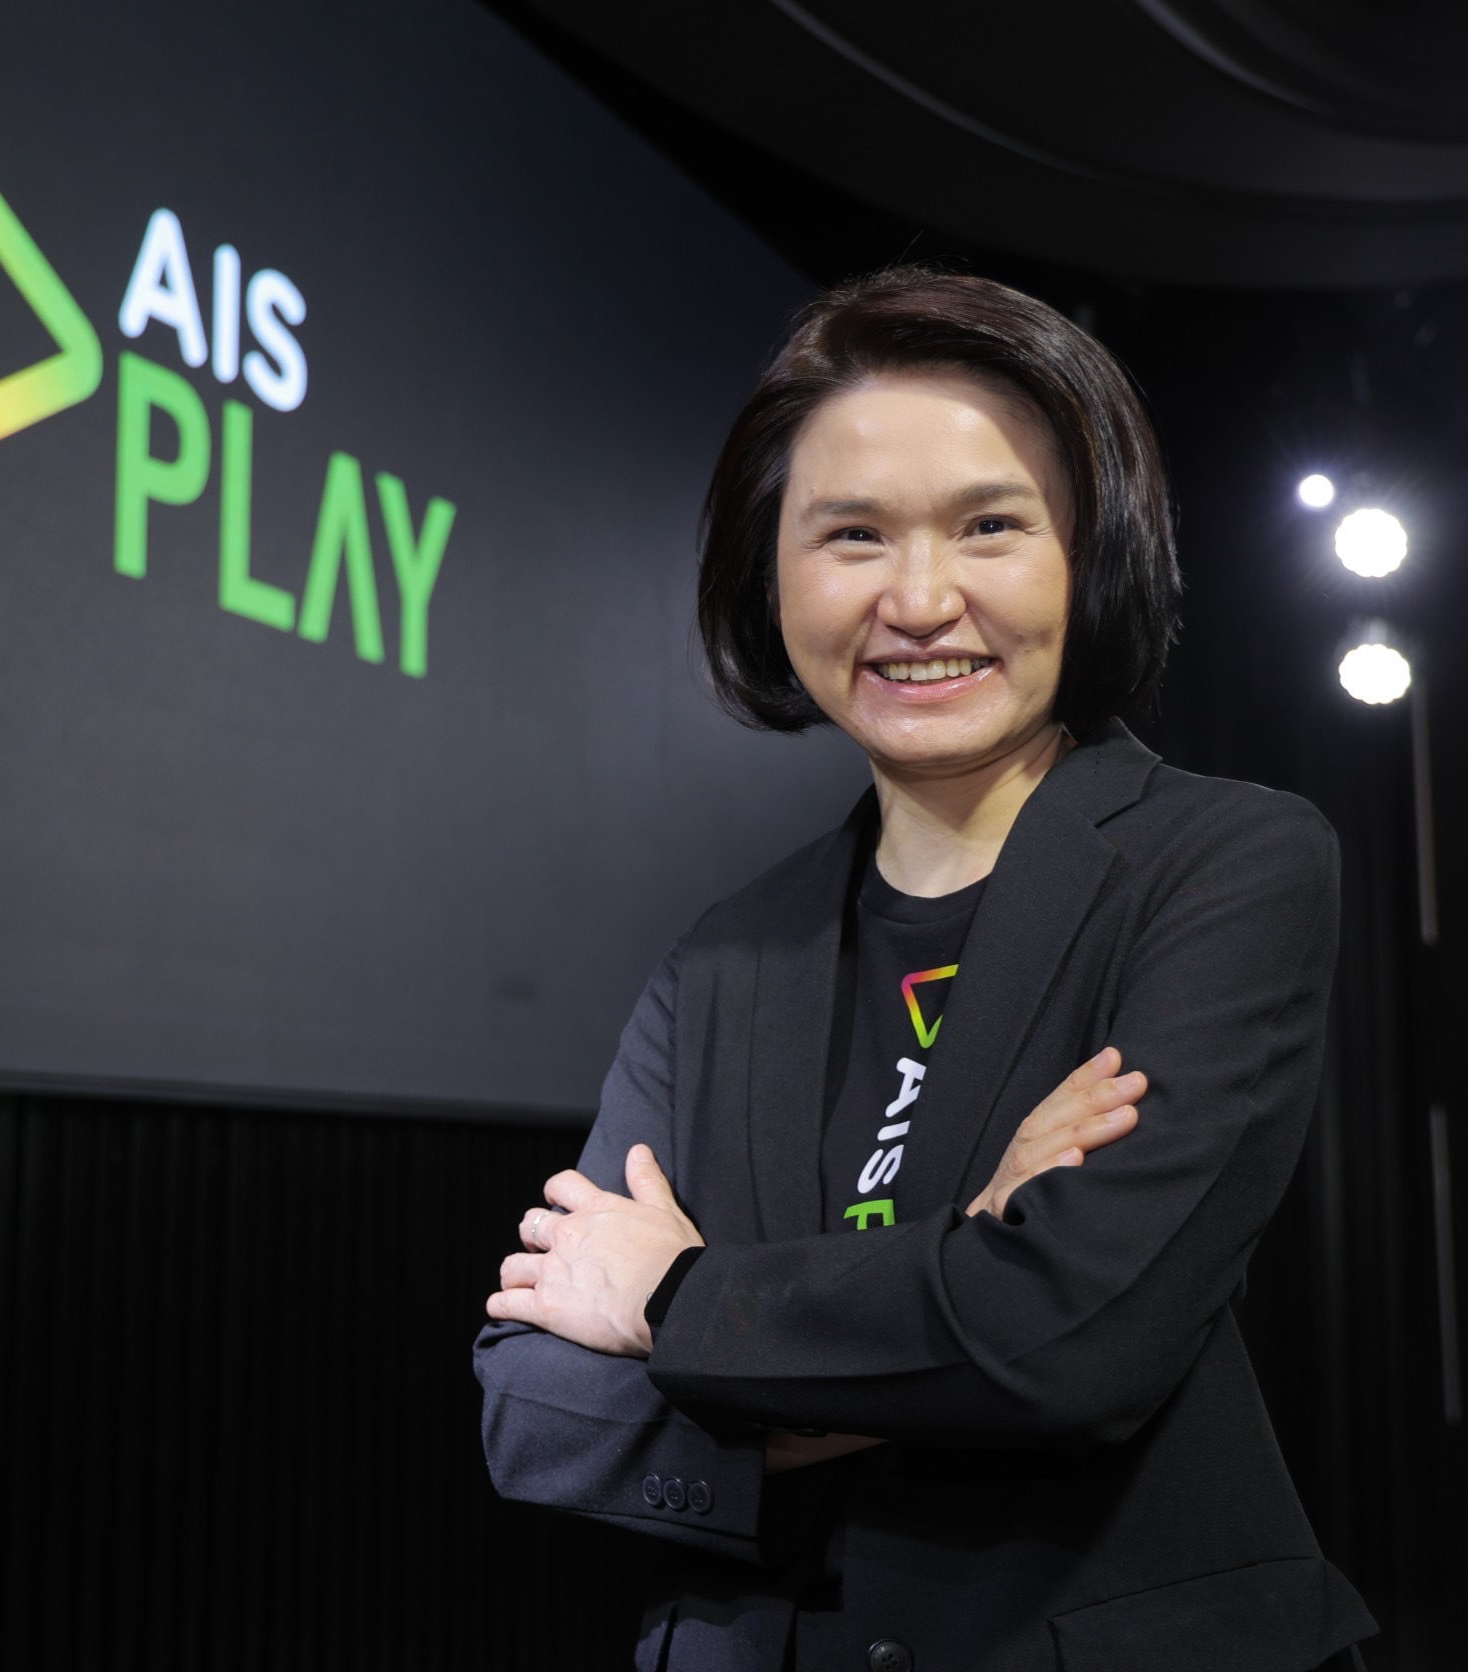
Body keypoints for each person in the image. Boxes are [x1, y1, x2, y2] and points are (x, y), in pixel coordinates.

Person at [473, 268, 1374, 1672]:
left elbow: (1070, 1340)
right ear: (770, 574)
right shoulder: (724, 956)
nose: (917, 598)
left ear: (1091, 555)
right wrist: (961, 1284)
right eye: (851, 534)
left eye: (990, 526)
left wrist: (669, 1301)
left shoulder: (1225, 863)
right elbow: (534, 1411)